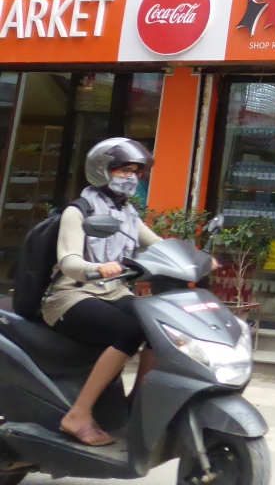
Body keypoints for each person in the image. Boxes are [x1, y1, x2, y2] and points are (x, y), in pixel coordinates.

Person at [42, 137, 161, 447]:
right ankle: (78, 414)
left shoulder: (127, 213)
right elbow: (68, 261)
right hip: (71, 294)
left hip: (112, 292)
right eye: (123, 170)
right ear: (101, 170)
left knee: (158, 322)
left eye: (136, 171)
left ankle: (136, 403)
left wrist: (194, 258)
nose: (131, 177)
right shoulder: (78, 211)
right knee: (128, 331)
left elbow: (158, 245)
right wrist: (96, 268)